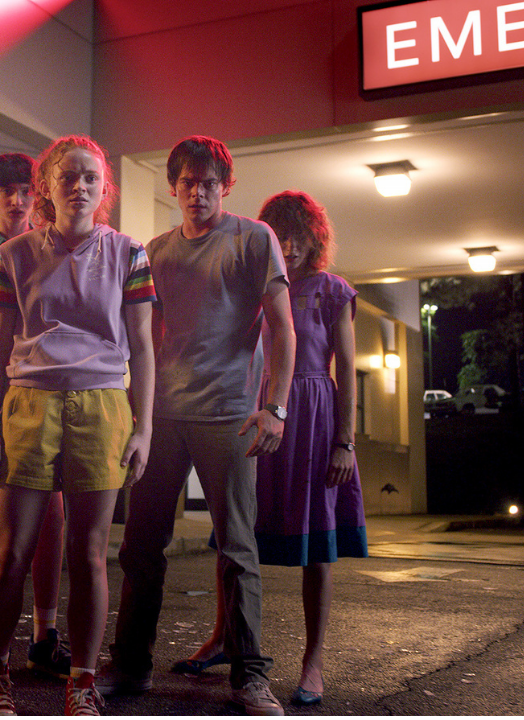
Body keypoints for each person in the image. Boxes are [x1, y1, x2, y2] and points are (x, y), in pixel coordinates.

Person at [96, 135, 295, 716]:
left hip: (230, 414)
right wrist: (136, 413)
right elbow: (143, 338)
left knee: (237, 547)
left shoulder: (253, 239)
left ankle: (249, 676)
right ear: (174, 187)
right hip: (161, 415)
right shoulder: (156, 251)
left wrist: (276, 406)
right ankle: (130, 666)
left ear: (225, 186)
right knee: (140, 545)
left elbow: (282, 328)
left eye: (209, 183)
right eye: (188, 182)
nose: (198, 193)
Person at [0, 135, 155, 716]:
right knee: (12, 551)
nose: (80, 186)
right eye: (68, 176)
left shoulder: (130, 254)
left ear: (104, 190)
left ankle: (81, 683)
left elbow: (143, 347)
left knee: (90, 554)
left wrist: (143, 428)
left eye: (91, 178)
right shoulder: (14, 254)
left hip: (103, 406)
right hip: (29, 404)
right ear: (47, 187)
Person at [183, 190, 366, 707]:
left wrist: (345, 441)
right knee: (235, 530)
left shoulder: (332, 291)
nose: (287, 244)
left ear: (314, 238)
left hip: (313, 418)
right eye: (278, 234)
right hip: (253, 409)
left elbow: (346, 371)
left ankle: (314, 660)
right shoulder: (255, 284)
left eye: (297, 235)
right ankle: (224, 637)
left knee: (318, 545)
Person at [0, 153, 70, 684]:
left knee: (52, 509)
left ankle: (45, 634)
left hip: (43, 377)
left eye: (26, 190)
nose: (17, 200)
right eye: (7, 190)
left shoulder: (52, 243)